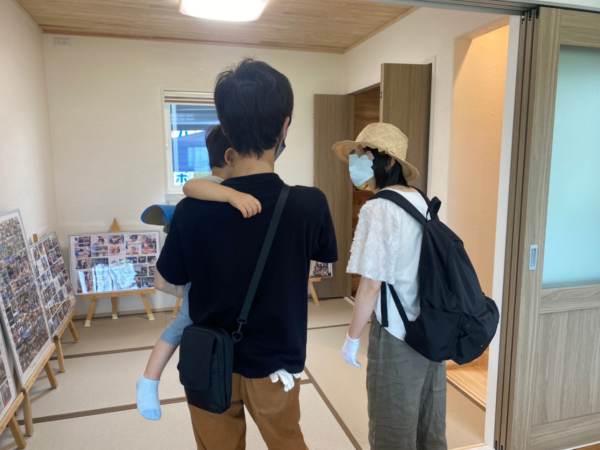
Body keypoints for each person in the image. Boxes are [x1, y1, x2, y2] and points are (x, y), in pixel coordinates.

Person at [154, 59, 337, 450]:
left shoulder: (191, 209)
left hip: (206, 359)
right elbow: (315, 268)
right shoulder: (310, 204)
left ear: (225, 124)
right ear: (284, 126)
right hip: (276, 363)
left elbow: (168, 282)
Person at [136, 124, 264, 421]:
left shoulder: (230, 187)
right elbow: (190, 187)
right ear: (231, 157)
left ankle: (149, 380)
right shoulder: (214, 186)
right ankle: (148, 380)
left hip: (214, 279)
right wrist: (231, 196)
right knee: (179, 326)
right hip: (201, 285)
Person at [335, 123, 447, 450]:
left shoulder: (379, 207)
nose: (355, 161)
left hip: (397, 334)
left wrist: (352, 338)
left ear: (389, 161)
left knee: (392, 430)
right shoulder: (421, 200)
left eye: (363, 154)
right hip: (430, 330)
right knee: (430, 425)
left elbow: (371, 284)